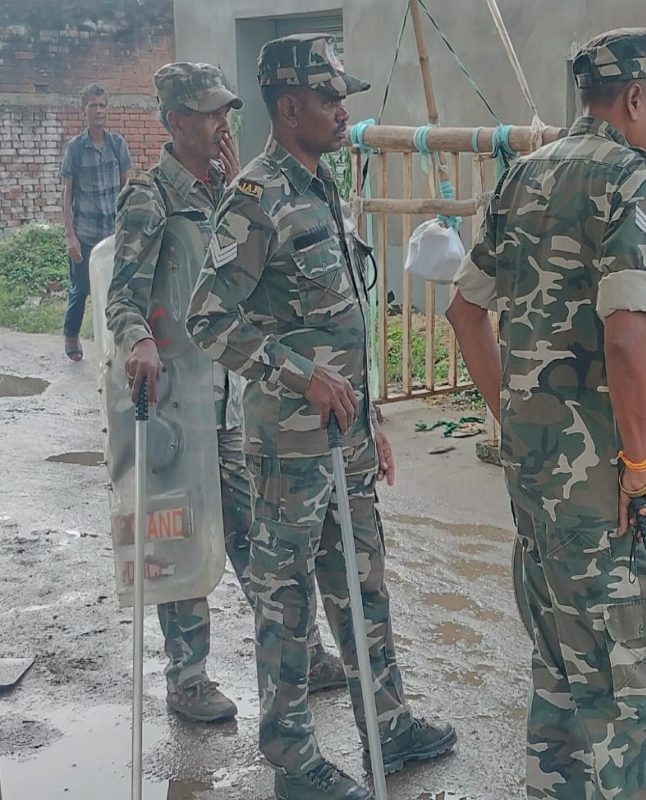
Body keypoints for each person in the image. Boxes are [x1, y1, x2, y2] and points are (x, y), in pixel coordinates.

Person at [187, 35, 455, 800]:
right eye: (329, 98)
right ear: (287, 106)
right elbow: (208, 317)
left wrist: (369, 420)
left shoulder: (323, 185)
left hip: (346, 441)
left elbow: (340, 320)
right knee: (288, 601)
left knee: (364, 582)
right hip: (288, 450)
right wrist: (298, 376)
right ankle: (292, 759)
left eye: (344, 97)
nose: (344, 112)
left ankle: (389, 723)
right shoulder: (257, 197)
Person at [447, 27, 646, 800]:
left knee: (559, 660)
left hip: (534, 468)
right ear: (633, 98)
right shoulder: (632, 177)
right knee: (632, 678)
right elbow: (627, 339)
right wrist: (637, 463)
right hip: (598, 485)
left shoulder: (524, 174)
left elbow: (463, 311)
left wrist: (514, 414)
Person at [105, 62, 346, 725]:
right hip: (174, 405)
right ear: (175, 120)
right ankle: (188, 681)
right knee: (178, 543)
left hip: (227, 400)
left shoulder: (228, 192)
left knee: (259, 535)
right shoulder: (150, 196)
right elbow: (124, 295)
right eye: (208, 114)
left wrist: (240, 187)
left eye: (225, 113)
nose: (221, 125)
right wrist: (138, 340)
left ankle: (304, 652)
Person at [61, 83, 133, 362]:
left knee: (117, 289)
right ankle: (71, 334)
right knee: (81, 289)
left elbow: (127, 187)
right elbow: (67, 196)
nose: (98, 110)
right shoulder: (75, 148)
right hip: (86, 234)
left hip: (114, 234)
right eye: (93, 105)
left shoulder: (117, 145)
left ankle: (114, 340)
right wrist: (71, 237)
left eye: (102, 105)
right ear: (84, 111)